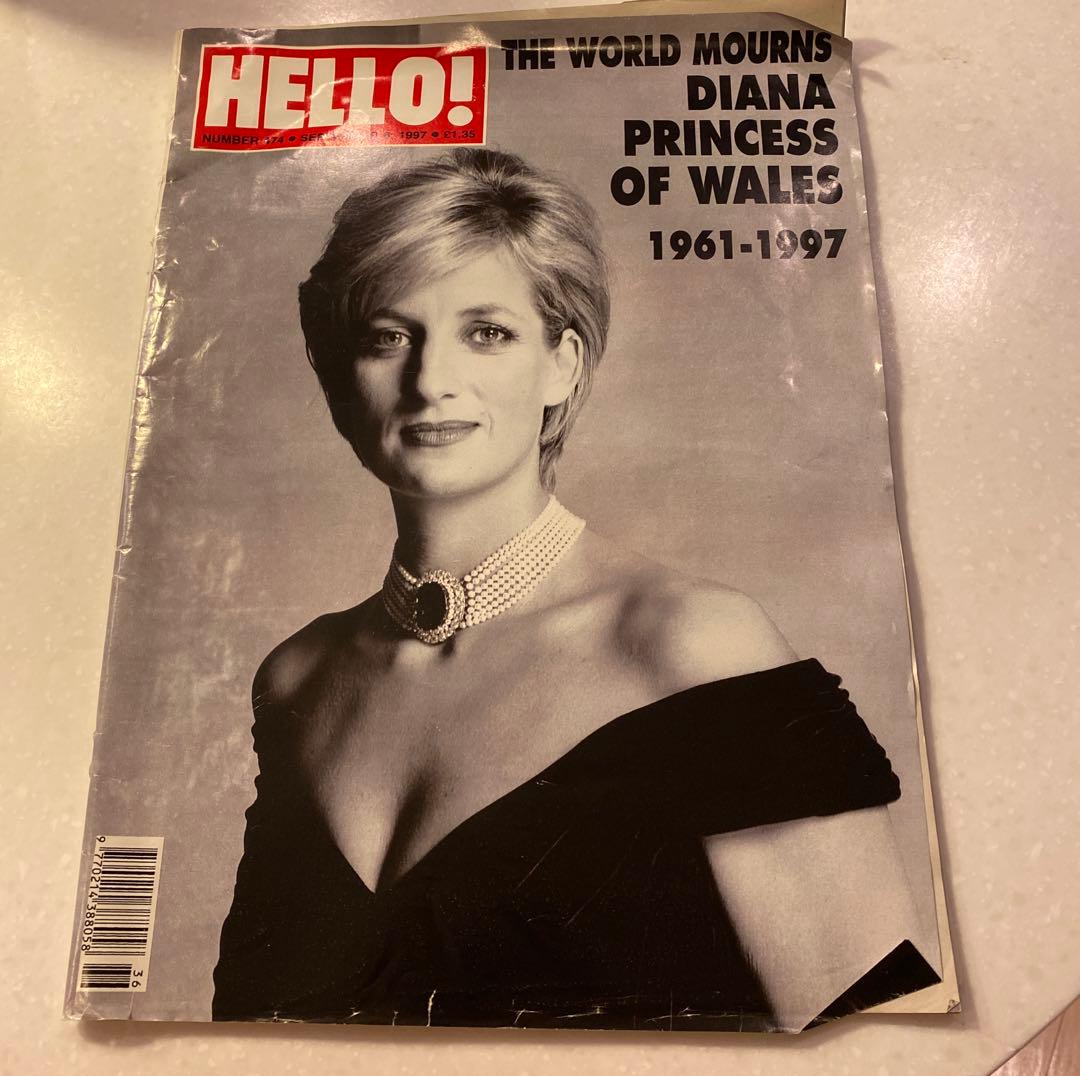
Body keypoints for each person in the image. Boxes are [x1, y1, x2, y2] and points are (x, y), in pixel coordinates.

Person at [212, 147, 938, 1030]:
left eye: (487, 332)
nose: (430, 381)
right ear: (338, 378)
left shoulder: (692, 647)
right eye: (388, 337)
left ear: (563, 363)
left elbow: (884, 1046)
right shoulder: (299, 678)